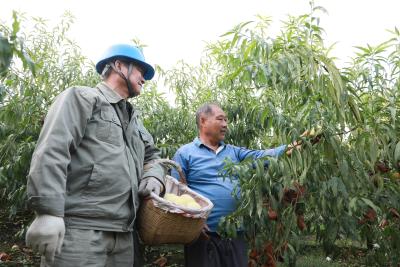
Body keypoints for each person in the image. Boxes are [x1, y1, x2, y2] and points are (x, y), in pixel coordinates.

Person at [25, 44, 166, 267]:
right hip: (80, 231)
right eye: (140, 69)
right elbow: (53, 149)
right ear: (119, 65)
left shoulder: (135, 122)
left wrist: (155, 176)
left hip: (124, 234)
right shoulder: (83, 98)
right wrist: (47, 212)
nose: (144, 78)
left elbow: (154, 157)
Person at [172, 103, 299, 267]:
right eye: (220, 119)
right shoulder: (185, 153)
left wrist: (293, 146)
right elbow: (177, 191)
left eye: (226, 120)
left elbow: (262, 157)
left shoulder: (234, 152)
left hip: (236, 233)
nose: (225, 124)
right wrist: (192, 221)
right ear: (203, 121)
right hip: (202, 235)